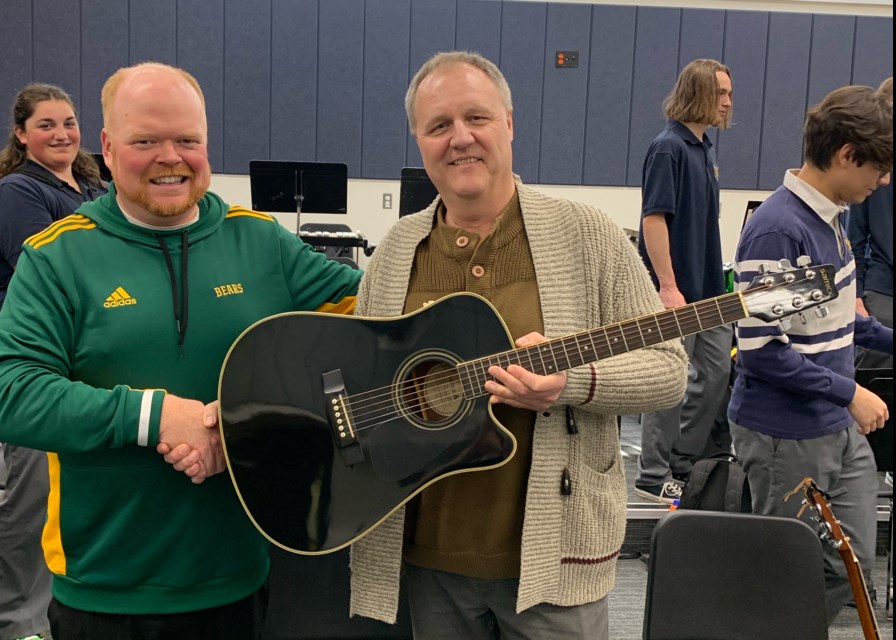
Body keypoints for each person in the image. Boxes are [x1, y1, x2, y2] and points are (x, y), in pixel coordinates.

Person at [0, 62, 361, 639]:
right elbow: (5, 398)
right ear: (106, 147)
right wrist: (155, 414)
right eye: (145, 141)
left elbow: (382, 318)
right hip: (103, 592)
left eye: (188, 140)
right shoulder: (57, 257)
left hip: (238, 580)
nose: (170, 157)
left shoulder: (260, 242)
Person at [347, 51, 688, 639]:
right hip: (430, 562)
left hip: (556, 565)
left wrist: (572, 383)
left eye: (476, 118)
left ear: (508, 122)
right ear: (419, 141)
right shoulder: (398, 250)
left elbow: (668, 369)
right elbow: (363, 382)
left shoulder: (588, 235)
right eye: (438, 126)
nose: (460, 139)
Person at [728, 84, 892, 623]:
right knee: (789, 574)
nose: (884, 180)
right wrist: (851, 392)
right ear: (847, 155)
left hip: (831, 426)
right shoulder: (780, 229)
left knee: (849, 567)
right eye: (880, 167)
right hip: (785, 435)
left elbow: (842, 323)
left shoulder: (829, 218)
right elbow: (761, 351)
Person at [0, 82, 106, 640]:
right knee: (32, 498)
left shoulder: (93, 185)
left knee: (75, 495)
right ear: (21, 133)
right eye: (47, 125)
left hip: (88, 351)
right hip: (38, 356)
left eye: (69, 123)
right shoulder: (16, 194)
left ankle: (58, 615)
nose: (61, 134)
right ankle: (12, 625)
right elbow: (57, 268)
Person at [633, 59, 735, 504]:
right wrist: (667, 286)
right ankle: (653, 473)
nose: (728, 102)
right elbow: (653, 219)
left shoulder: (704, 149)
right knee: (669, 384)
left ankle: (683, 463)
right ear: (698, 93)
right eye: (721, 93)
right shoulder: (667, 148)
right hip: (677, 291)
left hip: (711, 289)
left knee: (716, 373)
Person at [848, 77, 893, 370]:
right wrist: (856, 295)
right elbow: (855, 235)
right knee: (875, 381)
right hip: (882, 293)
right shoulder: (868, 170)